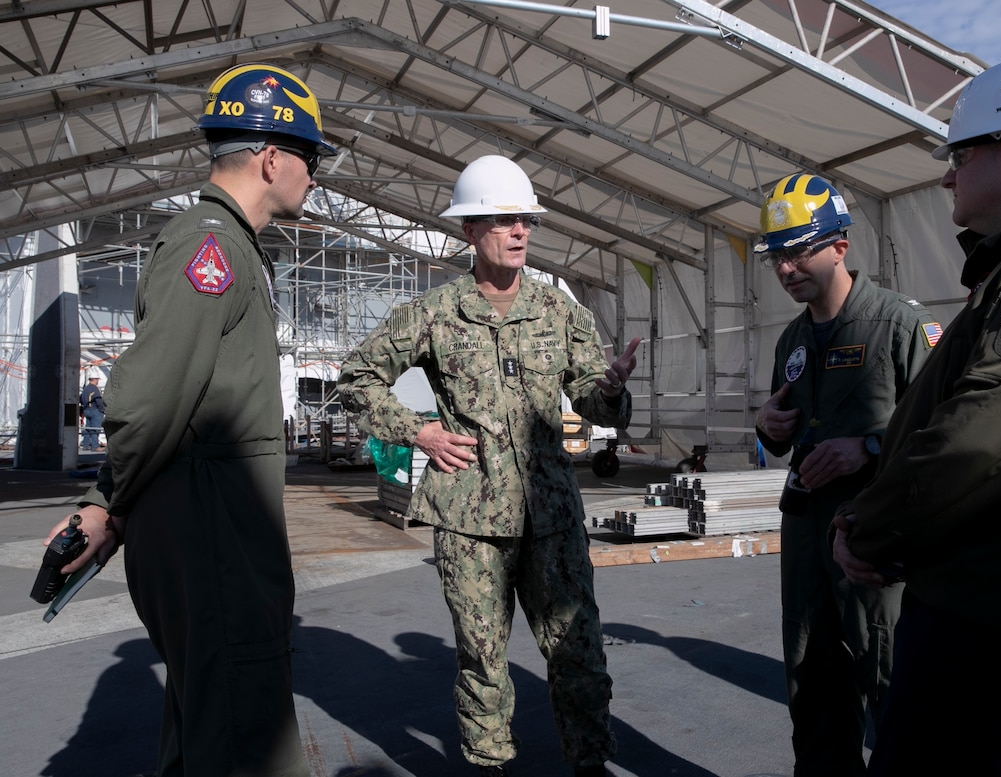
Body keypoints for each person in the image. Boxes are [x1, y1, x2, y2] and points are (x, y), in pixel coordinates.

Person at [42, 63, 336, 777]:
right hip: (216, 546)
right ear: (271, 156)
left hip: (218, 540)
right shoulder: (212, 247)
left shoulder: (229, 245)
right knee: (248, 745)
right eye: (311, 157)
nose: (315, 174)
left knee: (207, 735)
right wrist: (106, 506)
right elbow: (147, 400)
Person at [337, 154, 640, 777]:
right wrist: (419, 431)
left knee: (578, 654)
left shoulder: (560, 312)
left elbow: (593, 397)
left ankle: (590, 765)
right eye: (503, 221)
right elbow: (357, 377)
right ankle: (489, 765)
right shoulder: (435, 312)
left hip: (550, 519)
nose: (520, 232)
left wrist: (609, 390)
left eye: (525, 220)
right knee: (482, 661)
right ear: (469, 231)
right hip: (472, 521)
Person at [832, 57, 1001, 777]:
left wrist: (869, 524)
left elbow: (989, 432)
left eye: (958, 153)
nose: (946, 175)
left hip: (999, 622)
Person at [753, 173, 941, 777]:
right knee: (813, 696)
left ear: (841, 244)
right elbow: (787, 424)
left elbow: (948, 433)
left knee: (893, 690)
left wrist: (869, 446)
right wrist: (769, 430)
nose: (787, 268)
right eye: (777, 256)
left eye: (801, 249)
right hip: (808, 542)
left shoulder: (901, 326)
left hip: (878, 543)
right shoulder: (792, 339)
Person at [79, 374, 106, 450]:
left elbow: (80, 398)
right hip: (95, 410)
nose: (98, 381)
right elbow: (98, 400)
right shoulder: (95, 389)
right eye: (97, 379)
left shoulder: (85, 388)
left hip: (86, 410)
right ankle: (95, 446)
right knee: (95, 428)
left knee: (88, 428)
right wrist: (103, 410)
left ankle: (85, 445)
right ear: (94, 379)